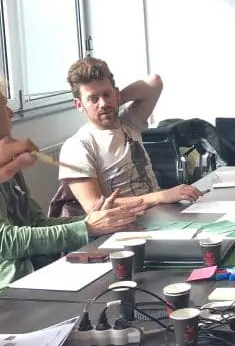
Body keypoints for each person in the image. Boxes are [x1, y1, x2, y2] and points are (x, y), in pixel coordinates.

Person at [0, 84, 144, 288]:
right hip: (12, 288)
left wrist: (96, 220)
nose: (11, 112)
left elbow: (36, 223)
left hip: (38, 271)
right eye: (3, 104)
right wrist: (87, 227)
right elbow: (5, 242)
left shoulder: (9, 164)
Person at [59, 58, 202, 211]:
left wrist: (115, 101)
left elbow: (154, 83)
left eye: (106, 94)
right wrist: (160, 196)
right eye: (93, 99)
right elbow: (94, 206)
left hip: (161, 212)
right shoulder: (77, 146)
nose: (103, 103)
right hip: (127, 222)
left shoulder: (129, 122)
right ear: (79, 105)